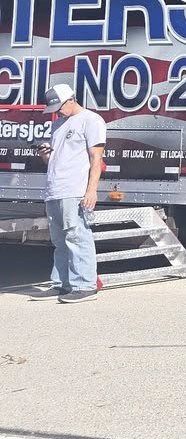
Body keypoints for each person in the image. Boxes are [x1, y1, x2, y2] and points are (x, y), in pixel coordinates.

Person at [40, 83, 105, 304]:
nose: (57, 112)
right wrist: (45, 155)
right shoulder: (58, 125)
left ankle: (85, 285)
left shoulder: (91, 120)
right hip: (54, 189)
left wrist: (91, 190)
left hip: (74, 189)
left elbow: (96, 158)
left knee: (77, 236)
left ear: (71, 100)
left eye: (59, 107)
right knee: (60, 240)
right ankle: (62, 283)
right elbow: (57, 160)